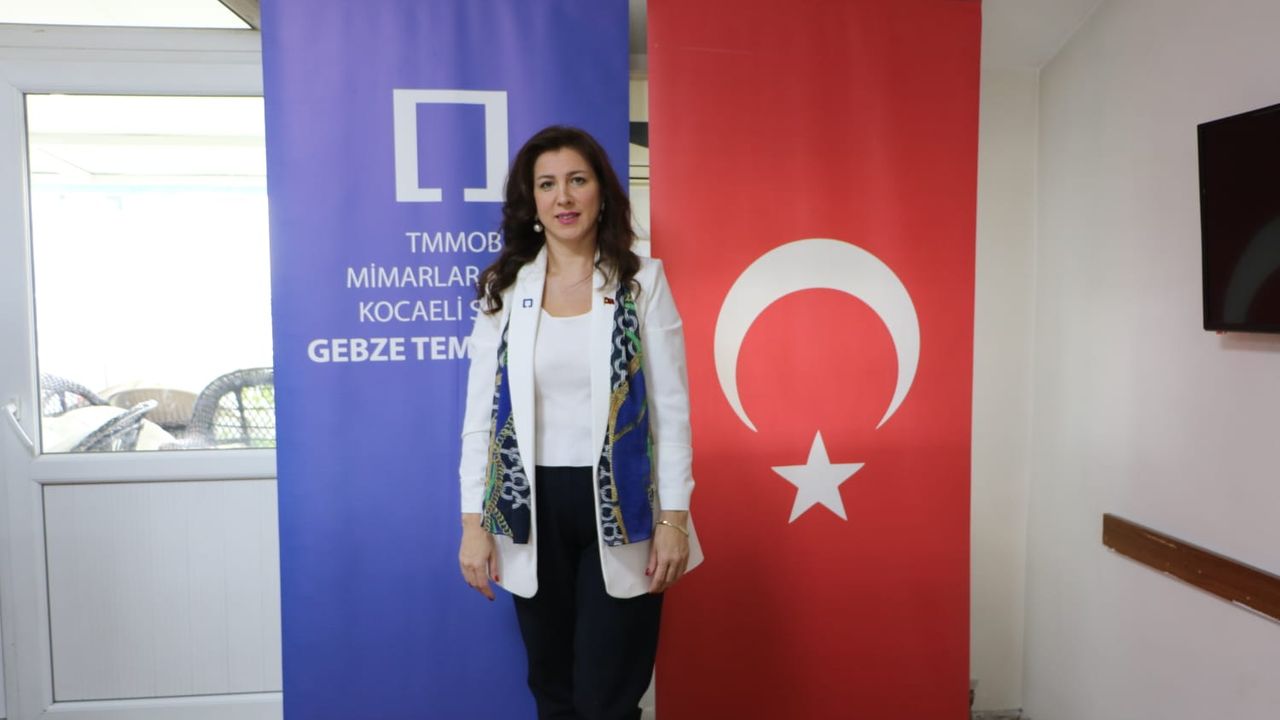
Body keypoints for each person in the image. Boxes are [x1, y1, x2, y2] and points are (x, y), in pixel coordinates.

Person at [457, 125, 702, 719]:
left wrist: (674, 519)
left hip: (623, 506)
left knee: (606, 699)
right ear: (532, 201)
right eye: (547, 184)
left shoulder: (642, 282)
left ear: (601, 193)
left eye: (576, 180)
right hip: (530, 506)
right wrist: (473, 523)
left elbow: (670, 412)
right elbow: (480, 418)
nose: (563, 197)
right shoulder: (503, 289)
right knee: (554, 693)